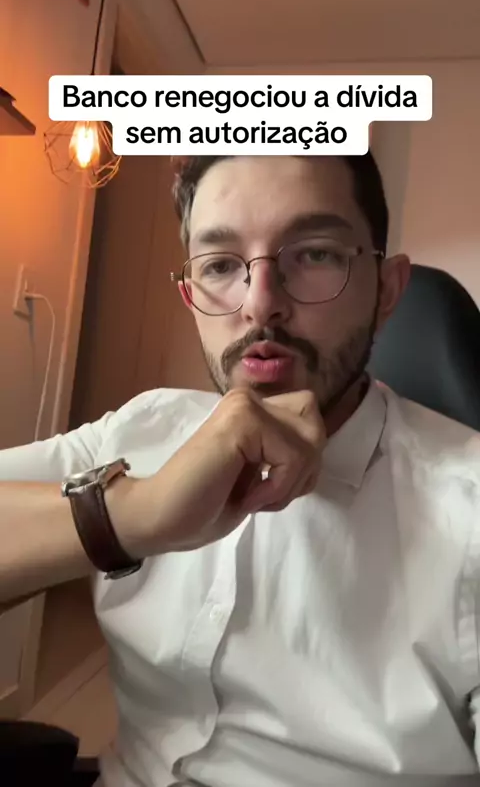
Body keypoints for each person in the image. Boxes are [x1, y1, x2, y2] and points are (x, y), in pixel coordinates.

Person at [1, 153, 480, 787]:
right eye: (221, 265)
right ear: (190, 296)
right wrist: (131, 514)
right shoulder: (142, 429)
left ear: (387, 290)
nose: (260, 304)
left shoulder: (468, 507)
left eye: (314, 254)